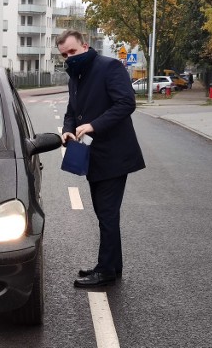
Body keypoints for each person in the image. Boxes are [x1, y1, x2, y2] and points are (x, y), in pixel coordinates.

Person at [56, 30, 145, 288]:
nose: (69, 57)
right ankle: (111, 266)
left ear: (85, 46)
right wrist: (68, 130)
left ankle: (105, 271)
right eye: (64, 55)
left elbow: (126, 103)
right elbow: (72, 111)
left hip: (114, 155)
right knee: (105, 214)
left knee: (106, 214)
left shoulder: (110, 67)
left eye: (72, 51)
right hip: (92, 156)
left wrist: (94, 125)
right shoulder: (76, 76)